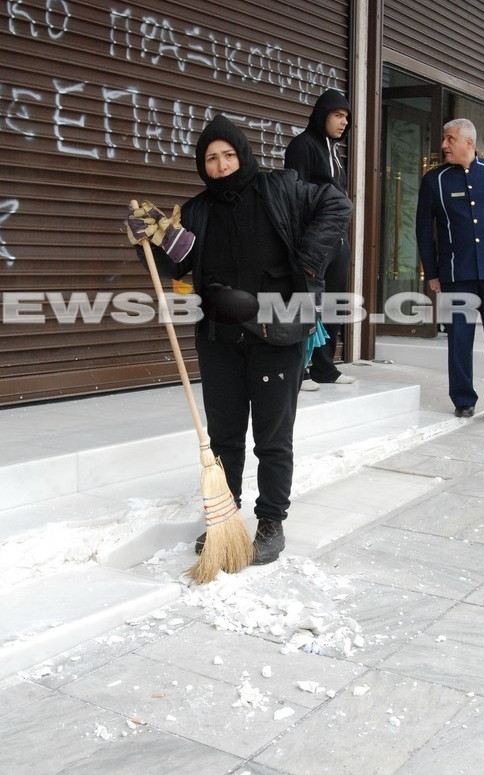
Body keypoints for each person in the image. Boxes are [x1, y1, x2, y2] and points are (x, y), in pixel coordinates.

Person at [127, 114, 353, 564]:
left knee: (272, 436)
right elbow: (176, 268)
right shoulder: (196, 210)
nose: (222, 164)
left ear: (242, 154)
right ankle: (225, 520)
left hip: (276, 331)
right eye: (211, 158)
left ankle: (271, 520)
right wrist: (146, 243)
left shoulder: (280, 188)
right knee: (225, 436)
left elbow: (337, 205)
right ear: (201, 165)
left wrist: (308, 262)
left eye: (228, 154)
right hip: (219, 337)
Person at [415, 117, 484, 424]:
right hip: (456, 273)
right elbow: (424, 231)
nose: (443, 145)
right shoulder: (434, 180)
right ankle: (464, 400)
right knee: (459, 341)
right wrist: (434, 272)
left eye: (449, 139)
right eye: (443, 138)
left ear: (468, 142)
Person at [284, 88, 356, 390]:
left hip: (337, 239)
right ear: (323, 114)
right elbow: (294, 193)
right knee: (307, 302)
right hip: (314, 240)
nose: (343, 123)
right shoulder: (302, 145)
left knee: (335, 303)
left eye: (347, 118)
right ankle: (298, 370)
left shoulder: (332, 150)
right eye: (338, 115)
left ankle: (325, 367)